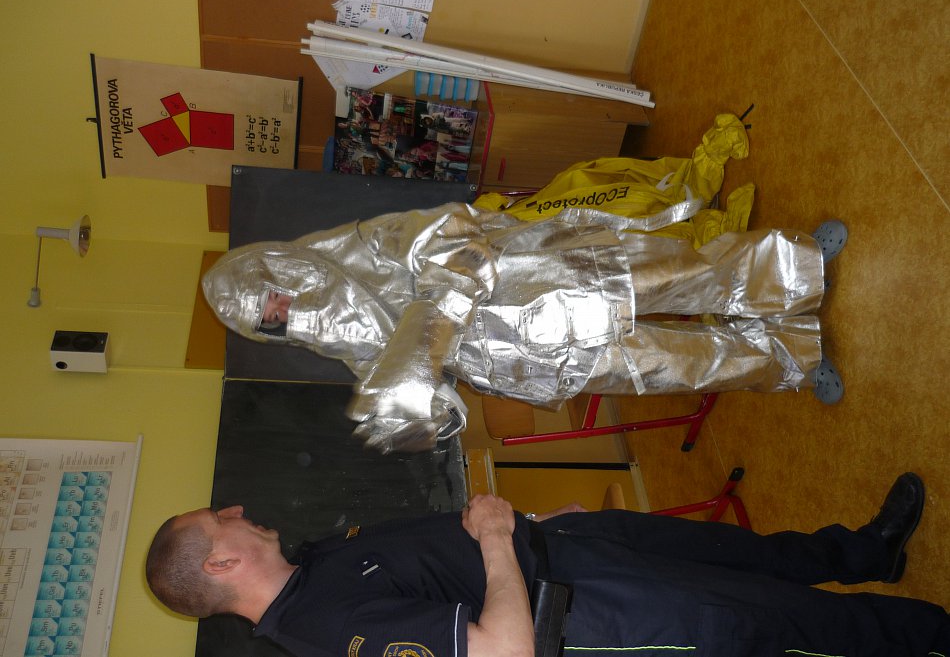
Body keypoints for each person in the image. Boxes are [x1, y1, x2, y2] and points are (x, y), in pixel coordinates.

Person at [203, 202, 848, 453]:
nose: (285, 312)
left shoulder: (369, 243)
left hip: (557, 276)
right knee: (680, 366)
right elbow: (440, 407)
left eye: (275, 294)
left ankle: (799, 268)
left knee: (691, 273)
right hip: (538, 361)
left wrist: (422, 342)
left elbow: (456, 236)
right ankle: (795, 359)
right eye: (272, 321)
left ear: (282, 263)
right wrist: (412, 419)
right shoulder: (352, 349)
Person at [146, 472, 948, 657]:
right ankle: (929, 635)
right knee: (773, 622)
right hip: (590, 614)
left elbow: (442, 562)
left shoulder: (311, 567)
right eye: (223, 518)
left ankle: (866, 551)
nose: (237, 509)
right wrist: (500, 539)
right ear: (221, 560)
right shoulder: (326, 626)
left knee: (741, 553)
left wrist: (526, 529)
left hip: (563, 549)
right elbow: (501, 650)